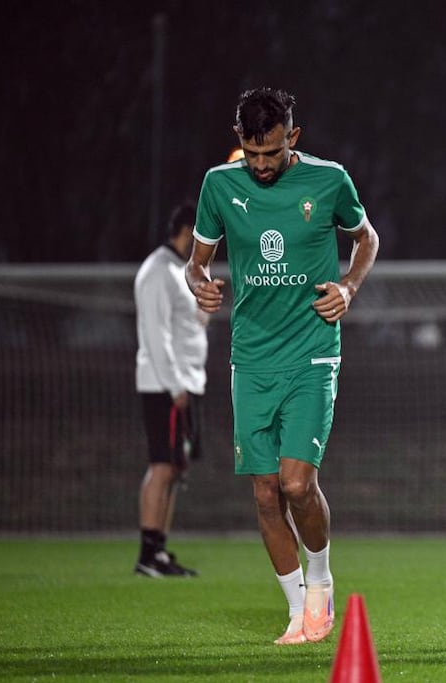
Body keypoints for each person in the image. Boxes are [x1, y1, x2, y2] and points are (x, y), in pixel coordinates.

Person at [186, 88, 379, 645]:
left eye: (271, 152)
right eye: (252, 154)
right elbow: (195, 265)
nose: (262, 164)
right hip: (251, 358)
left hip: (312, 351)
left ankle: (321, 582)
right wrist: (201, 285)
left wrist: (348, 286)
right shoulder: (219, 185)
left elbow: (366, 238)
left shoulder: (329, 179)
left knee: (297, 483)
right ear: (239, 142)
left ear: (293, 137)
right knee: (265, 492)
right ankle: (299, 612)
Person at [134, 202, 207, 578]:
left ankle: (159, 552)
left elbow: (186, 327)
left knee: (176, 468)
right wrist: (175, 384)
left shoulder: (182, 271)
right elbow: (156, 335)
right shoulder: (157, 271)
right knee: (161, 466)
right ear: (189, 231)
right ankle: (147, 555)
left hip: (186, 383)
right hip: (164, 385)